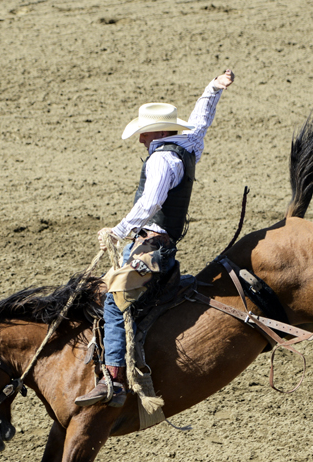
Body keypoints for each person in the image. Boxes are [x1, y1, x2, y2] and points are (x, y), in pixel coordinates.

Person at [75, 68, 236, 407]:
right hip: (163, 244)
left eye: (145, 133)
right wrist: (213, 88)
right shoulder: (188, 143)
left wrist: (116, 231)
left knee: (115, 302)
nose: (141, 140)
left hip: (150, 246)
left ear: (160, 131)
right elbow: (201, 119)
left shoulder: (161, 160)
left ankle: (114, 381)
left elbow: (151, 203)